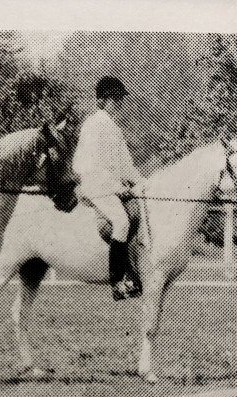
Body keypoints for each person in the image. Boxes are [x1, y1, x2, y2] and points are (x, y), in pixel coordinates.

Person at [72, 76, 144, 300]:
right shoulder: (93, 125)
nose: (119, 103)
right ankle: (117, 282)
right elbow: (93, 165)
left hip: (109, 186)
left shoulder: (115, 128)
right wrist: (116, 187)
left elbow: (126, 165)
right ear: (102, 100)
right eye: (115, 99)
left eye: (120, 99)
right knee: (121, 221)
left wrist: (143, 184)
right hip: (95, 184)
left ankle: (133, 274)